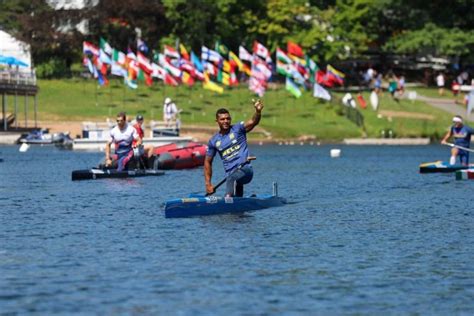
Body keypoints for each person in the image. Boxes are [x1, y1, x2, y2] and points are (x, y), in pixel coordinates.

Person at [204, 99, 264, 197]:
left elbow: (253, 122)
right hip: (232, 174)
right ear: (217, 121)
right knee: (233, 179)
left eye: (228, 118)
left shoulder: (238, 129)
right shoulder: (213, 141)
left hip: (246, 170)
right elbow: (207, 162)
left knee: (231, 178)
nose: (226, 121)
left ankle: (228, 200)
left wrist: (258, 112)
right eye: (222, 119)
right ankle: (239, 204)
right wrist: (208, 184)